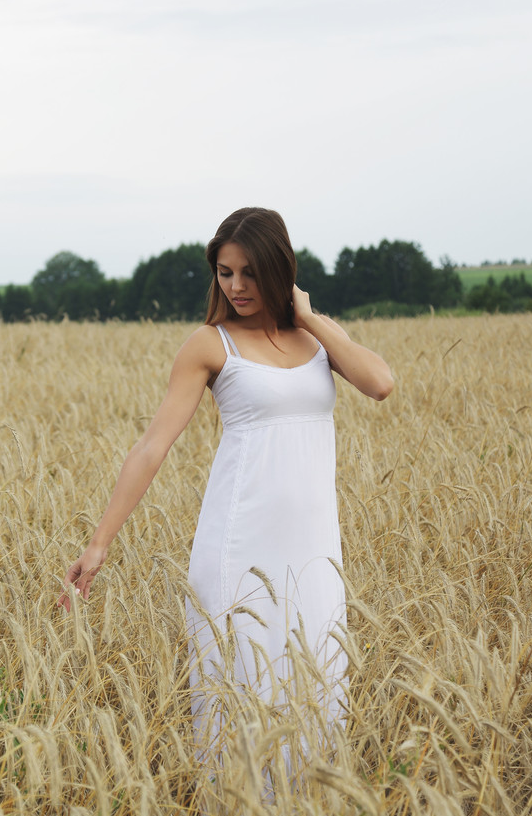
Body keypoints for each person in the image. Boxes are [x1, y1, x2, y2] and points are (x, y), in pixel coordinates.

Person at [58, 207, 393, 785]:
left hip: (314, 552)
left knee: (318, 689)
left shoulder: (314, 341)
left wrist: (311, 316)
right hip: (240, 547)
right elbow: (151, 448)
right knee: (240, 694)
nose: (235, 287)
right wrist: (99, 544)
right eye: (224, 272)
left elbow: (380, 383)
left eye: (249, 273)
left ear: (279, 269)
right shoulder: (210, 345)